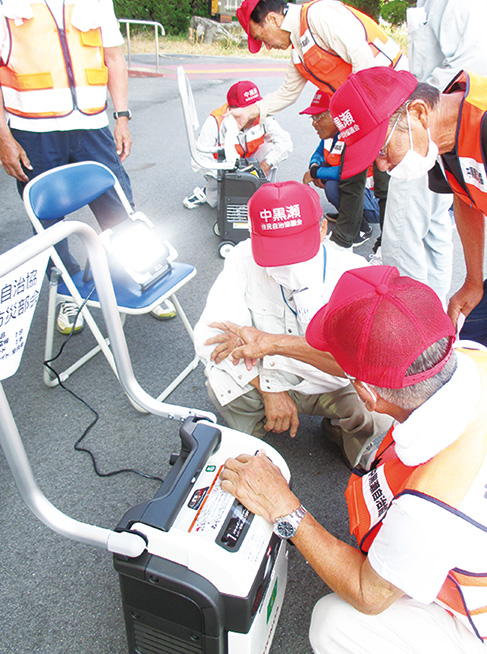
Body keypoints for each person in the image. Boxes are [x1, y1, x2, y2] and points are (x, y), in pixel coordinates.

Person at [219, 265, 487, 654]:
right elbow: (368, 369)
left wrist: (283, 506)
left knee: (335, 624)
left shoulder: (431, 507)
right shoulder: (477, 360)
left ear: (368, 394)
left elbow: (368, 593)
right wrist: (271, 343)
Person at [326, 65, 487, 381]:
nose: (382, 165)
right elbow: (466, 200)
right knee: (469, 343)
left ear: (417, 113)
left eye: (382, 149)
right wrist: (474, 281)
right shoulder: (440, 137)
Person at [0, 0, 175, 332]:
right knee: (47, 223)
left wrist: (122, 117)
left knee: (119, 206)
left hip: (91, 126)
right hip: (33, 130)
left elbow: (113, 58)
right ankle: (67, 293)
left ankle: (140, 275)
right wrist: (3, 137)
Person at [194, 180, 392, 468]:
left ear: (323, 229)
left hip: (334, 385)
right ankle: (255, 438)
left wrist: (268, 343)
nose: (285, 265)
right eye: (273, 254)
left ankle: (347, 436)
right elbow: (209, 336)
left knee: (379, 408)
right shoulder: (242, 258)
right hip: (270, 376)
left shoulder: (354, 275)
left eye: (297, 250)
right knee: (220, 378)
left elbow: (360, 365)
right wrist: (268, 388)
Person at [232, 0, 406, 249]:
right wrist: (250, 110)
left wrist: (362, 119)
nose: (267, 45)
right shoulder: (297, 49)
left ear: (272, 19)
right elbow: (287, 93)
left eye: (263, 37)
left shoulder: (318, 16)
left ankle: (388, 245)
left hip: (389, 94)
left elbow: (362, 60)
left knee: (385, 177)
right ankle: (344, 242)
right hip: (362, 106)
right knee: (350, 176)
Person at [380, 0, 487, 303]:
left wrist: (412, 106)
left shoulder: (455, 3)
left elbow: (475, 61)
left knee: (404, 231)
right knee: (435, 228)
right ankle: (432, 318)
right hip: (434, 126)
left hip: (426, 125)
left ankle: (409, 320)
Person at [183, 80, 292, 210]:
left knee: (270, 149)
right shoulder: (215, 122)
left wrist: (267, 163)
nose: (252, 116)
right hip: (224, 167)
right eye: (247, 110)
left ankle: (265, 193)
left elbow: (285, 142)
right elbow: (198, 161)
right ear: (233, 110)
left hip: (252, 164)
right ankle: (208, 192)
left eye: (254, 107)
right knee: (218, 202)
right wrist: (227, 174)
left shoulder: (262, 115)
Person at [301, 90, 378, 247]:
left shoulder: (355, 135)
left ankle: (362, 228)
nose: (314, 123)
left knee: (333, 184)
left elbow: (347, 171)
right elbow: (318, 153)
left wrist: (316, 173)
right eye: (312, 118)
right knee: (326, 172)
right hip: (362, 193)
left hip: (375, 200)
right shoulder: (332, 135)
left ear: (336, 115)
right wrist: (314, 166)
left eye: (318, 117)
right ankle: (347, 215)